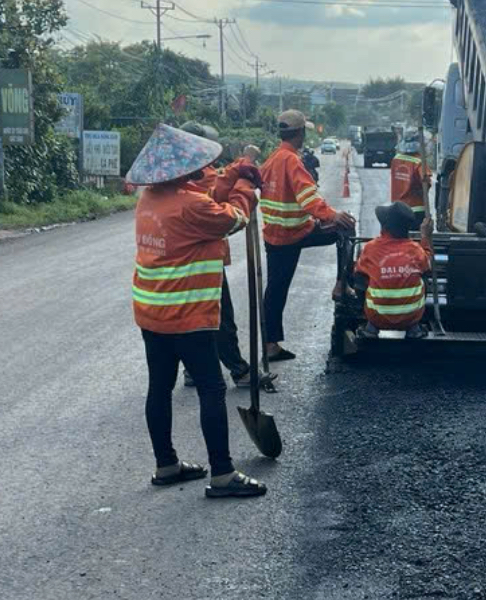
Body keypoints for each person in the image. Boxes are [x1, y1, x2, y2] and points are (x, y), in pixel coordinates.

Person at [128, 123, 266, 498]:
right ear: (183, 171)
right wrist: (246, 189)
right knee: (211, 387)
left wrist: (233, 173)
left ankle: (166, 464)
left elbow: (208, 194)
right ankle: (222, 473)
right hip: (187, 314)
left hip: (152, 311)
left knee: (159, 386)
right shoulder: (192, 206)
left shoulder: (151, 198)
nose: (202, 170)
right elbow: (233, 217)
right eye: (195, 166)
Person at [176, 122, 273, 391]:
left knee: (192, 317)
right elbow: (226, 203)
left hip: (181, 259)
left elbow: (220, 178)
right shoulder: (199, 177)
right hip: (204, 259)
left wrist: (242, 164)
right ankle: (239, 370)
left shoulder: (174, 178)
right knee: (220, 318)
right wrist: (245, 174)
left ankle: (192, 369)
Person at [259, 109, 356, 361]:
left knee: (275, 290)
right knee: (346, 228)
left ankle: (270, 345)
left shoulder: (272, 159)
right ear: (300, 133)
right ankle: (341, 284)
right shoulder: (290, 160)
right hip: (295, 232)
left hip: (275, 235)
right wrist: (332, 215)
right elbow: (308, 198)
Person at [353, 202, 433, 340]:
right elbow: (428, 264)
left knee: (360, 276)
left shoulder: (371, 248)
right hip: (411, 318)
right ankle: (414, 329)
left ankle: (371, 327)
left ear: (384, 226)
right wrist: (425, 236)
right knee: (424, 275)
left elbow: (358, 274)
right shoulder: (416, 250)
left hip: (377, 317)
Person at [390, 129, 429, 218]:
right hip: (416, 209)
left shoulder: (395, 159)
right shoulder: (419, 162)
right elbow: (426, 183)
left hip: (397, 208)